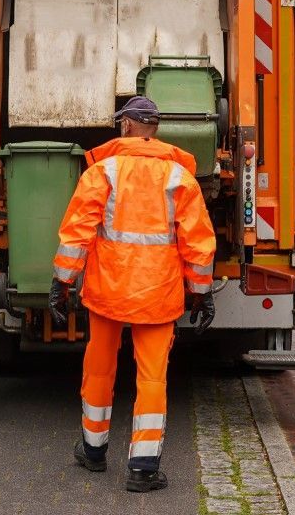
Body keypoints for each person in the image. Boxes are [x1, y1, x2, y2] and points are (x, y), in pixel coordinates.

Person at [49, 95, 217, 493]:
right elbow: (198, 242)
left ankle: (93, 451)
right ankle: (142, 468)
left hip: (108, 291)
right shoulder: (180, 178)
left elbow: (78, 233)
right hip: (158, 294)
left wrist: (62, 282)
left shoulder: (102, 172)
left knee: (100, 368)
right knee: (153, 378)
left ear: (125, 126)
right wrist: (202, 291)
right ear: (154, 129)